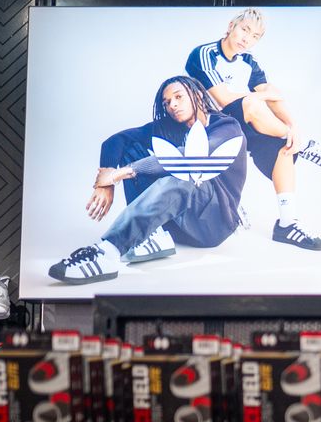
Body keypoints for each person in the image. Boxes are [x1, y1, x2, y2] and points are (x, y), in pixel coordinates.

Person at [46, 76, 248, 285]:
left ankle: (107, 253)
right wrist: (105, 183)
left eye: (178, 97)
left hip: (213, 224)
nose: (173, 105)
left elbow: (191, 158)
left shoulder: (227, 127)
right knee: (131, 149)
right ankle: (153, 235)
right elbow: (117, 140)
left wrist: (121, 173)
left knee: (185, 174)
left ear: (197, 95)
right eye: (167, 102)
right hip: (179, 224)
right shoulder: (170, 128)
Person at [184, 8, 321, 253]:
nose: (247, 38)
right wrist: (262, 95)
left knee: (284, 148)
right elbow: (225, 99)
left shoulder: (248, 61)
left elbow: (274, 95)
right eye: (244, 29)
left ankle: (287, 224)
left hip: (242, 125)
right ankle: (306, 145)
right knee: (252, 102)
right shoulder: (204, 53)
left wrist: (294, 128)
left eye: (255, 36)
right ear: (231, 26)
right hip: (210, 127)